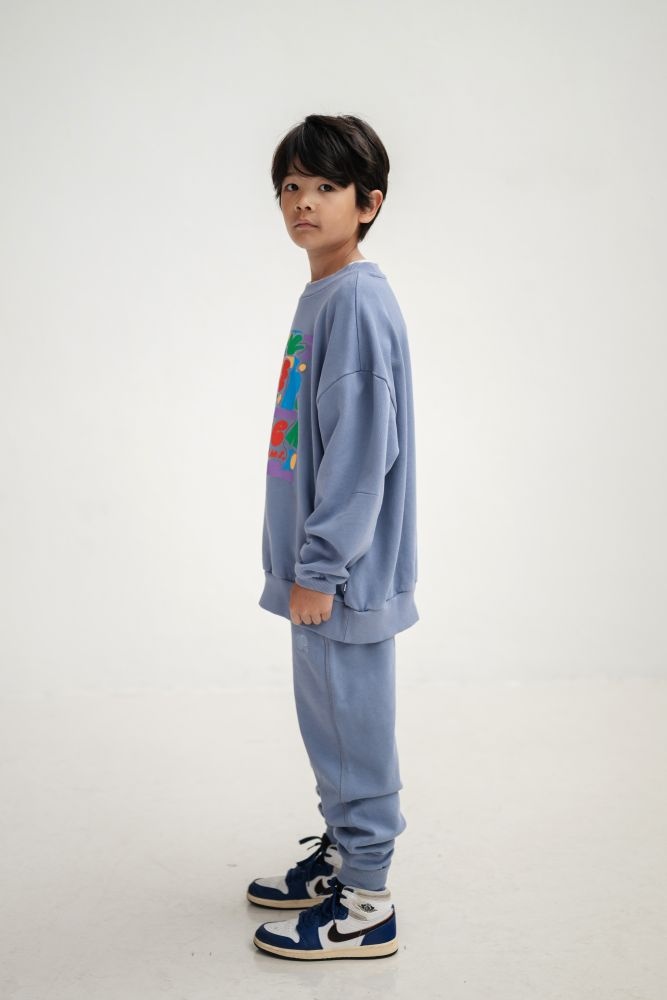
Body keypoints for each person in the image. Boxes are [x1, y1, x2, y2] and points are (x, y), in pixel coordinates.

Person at [249, 113, 419, 961]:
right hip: (320, 573)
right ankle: (343, 861)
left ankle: (366, 904)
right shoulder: (324, 294)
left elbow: (359, 455)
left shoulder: (353, 300)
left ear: (368, 203)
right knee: (331, 731)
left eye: (325, 186)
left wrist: (319, 568)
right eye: (290, 186)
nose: (303, 203)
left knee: (354, 737)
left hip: (338, 577)